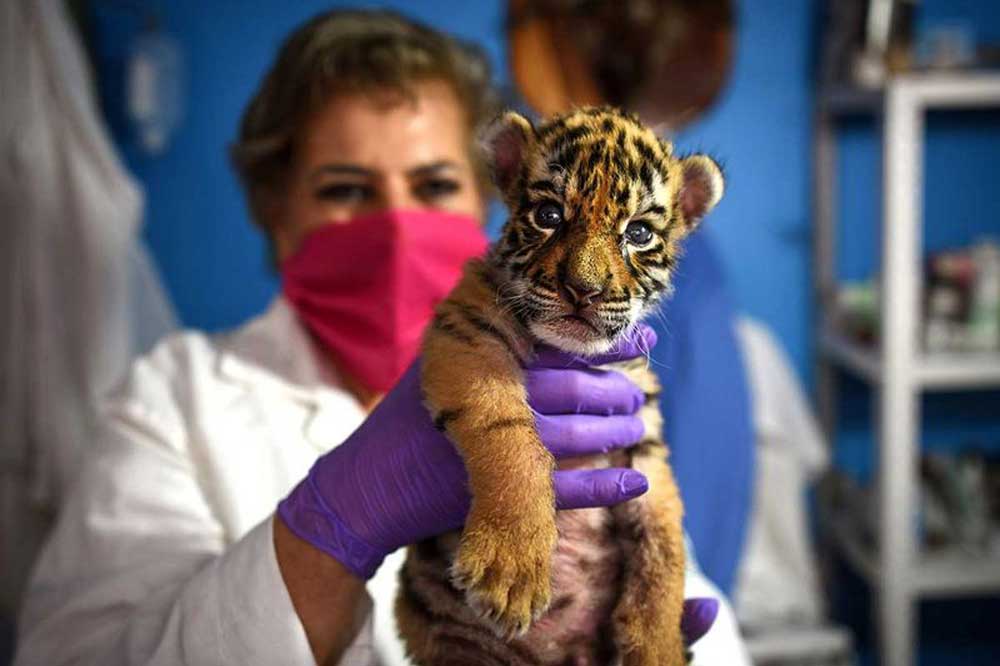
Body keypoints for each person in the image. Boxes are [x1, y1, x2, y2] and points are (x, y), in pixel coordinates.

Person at [14, 9, 750, 665]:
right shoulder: (171, 399)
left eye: (433, 185)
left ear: (490, 189)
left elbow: (686, 615)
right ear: (275, 208)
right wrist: (333, 524)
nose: (395, 225)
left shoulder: (579, 389)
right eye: (346, 190)